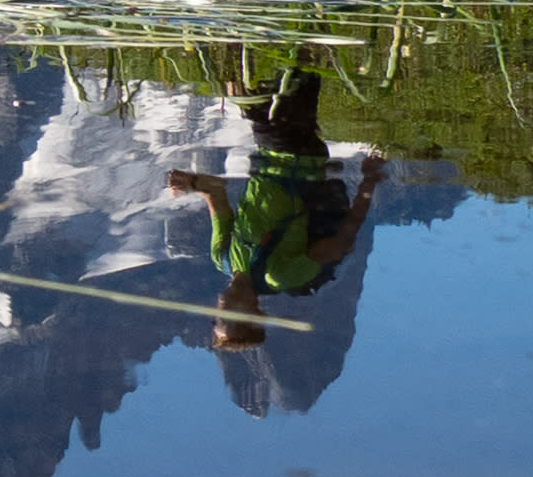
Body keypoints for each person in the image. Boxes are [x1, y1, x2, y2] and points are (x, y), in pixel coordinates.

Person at [166, 57, 388, 357]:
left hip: (270, 154)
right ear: (253, 312)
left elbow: (215, 191)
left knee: (301, 75)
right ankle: (253, 52)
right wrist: (369, 181)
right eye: (229, 318)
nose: (220, 311)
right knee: (252, 103)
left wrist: (190, 182)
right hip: (301, 160)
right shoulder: (280, 275)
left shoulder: (223, 256)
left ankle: (309, 40)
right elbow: (341, 243)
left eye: (217, 319)